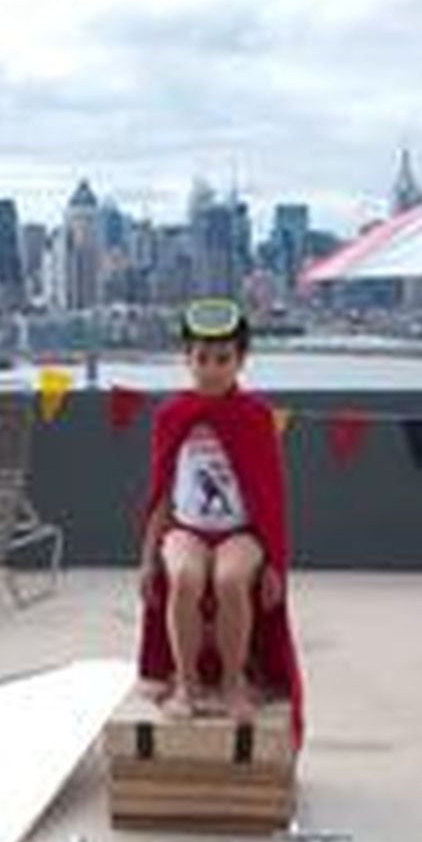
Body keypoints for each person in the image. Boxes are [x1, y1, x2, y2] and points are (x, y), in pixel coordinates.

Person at [136, 298, 302, 735]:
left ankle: (233, 681)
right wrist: (148, 558)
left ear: (241, 361)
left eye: (223, 359)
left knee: (230, 579)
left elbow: (271, 496)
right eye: (202, 358)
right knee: (185, 576)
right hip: (186, 528)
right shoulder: (172, 415)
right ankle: (187, 682)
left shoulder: (256, 416)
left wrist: (275, 563)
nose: (212, 370)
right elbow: (160, 493)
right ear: (187, 359)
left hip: (240, 532)